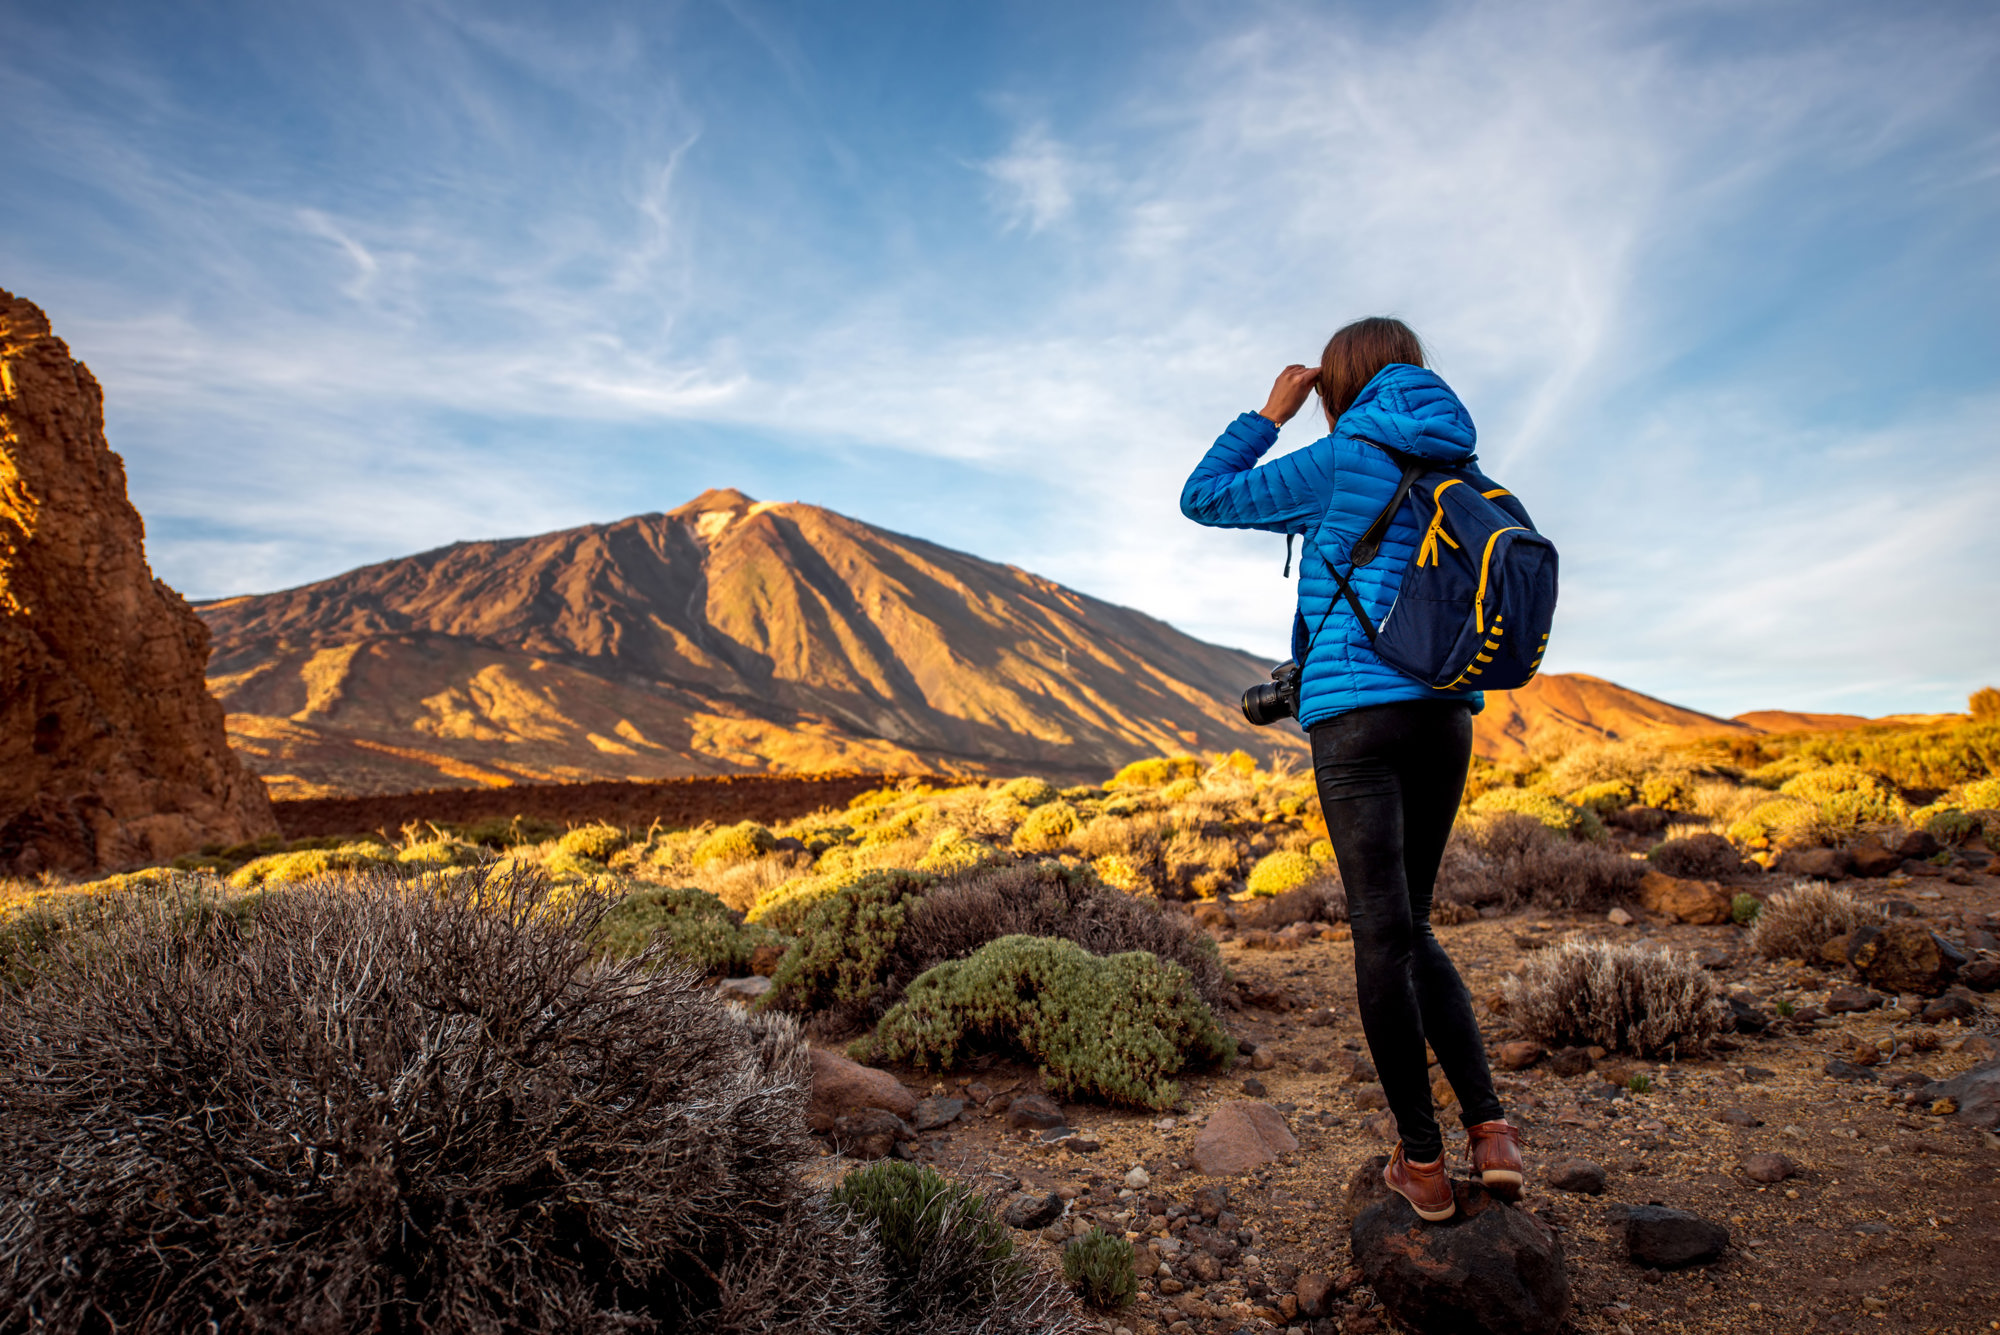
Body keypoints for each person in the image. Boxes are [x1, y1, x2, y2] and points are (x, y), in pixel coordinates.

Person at [1179, 316, 1523, 1223]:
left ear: (1339, 382)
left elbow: (1205, 497)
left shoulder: (1341, 460)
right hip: (1447, 720)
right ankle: (1492, 1132)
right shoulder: (1466, 471)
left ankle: (1423, 1163)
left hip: (1357, 721)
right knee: (1416, 922)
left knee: (1383, 935)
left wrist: (1269, 414)